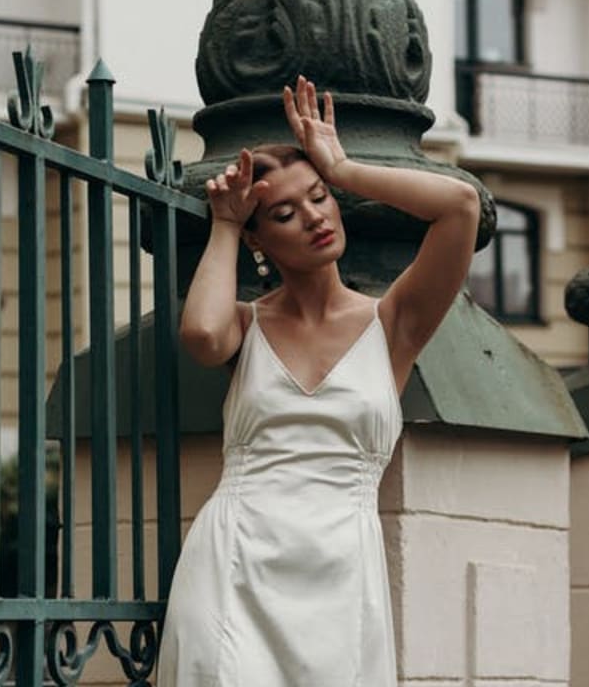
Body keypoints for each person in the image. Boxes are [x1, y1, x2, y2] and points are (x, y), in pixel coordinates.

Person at [156, 75, 480, 687]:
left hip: (342, 582)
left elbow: (460, 208)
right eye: (284, 212)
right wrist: (225, 224)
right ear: (260, 240)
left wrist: (342, 166)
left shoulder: (394, 324)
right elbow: (201, 336)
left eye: (319, 197)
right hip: (234, 567)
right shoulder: (245, 327)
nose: (313, 217)